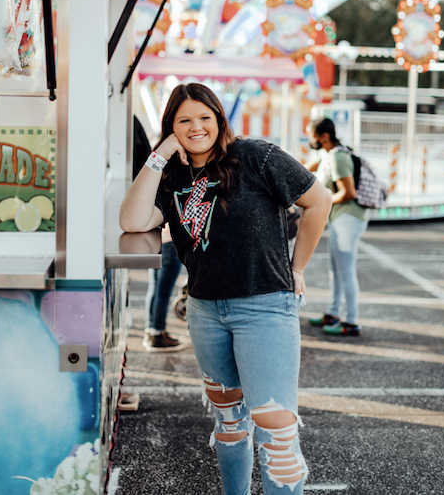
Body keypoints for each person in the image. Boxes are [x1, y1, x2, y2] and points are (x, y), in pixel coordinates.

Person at [120, 83, 331, 495]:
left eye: (205, 117)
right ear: (170, 127)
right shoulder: (172, 173)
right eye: (184, 121)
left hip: (266, 307)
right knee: (229, 420)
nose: (196, 127)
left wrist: (298, 267)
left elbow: (318, 200)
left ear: (219, 118)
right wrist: (161, 153)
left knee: (277, 428)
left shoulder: (255, 156)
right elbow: (132, 220)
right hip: (204, 311)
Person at [307, 117, 368, 337]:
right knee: (336, 270)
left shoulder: (338, 158)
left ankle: (351, 321)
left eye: (312, 136)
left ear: (324, 137)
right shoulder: (327, 155)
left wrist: (323, 201)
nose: (310, 140)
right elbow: (306, 169)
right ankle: (333, 313)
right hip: (339, 218)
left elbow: (348, 192)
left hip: (348, 219)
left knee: (345, 272)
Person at [133, 116, 184, 351]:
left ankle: (154, 330)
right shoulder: (171, 176)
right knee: (162, 288)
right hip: (169, 240)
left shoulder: (155, 174)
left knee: (157, 287)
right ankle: (155, 332)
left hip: (161, 238)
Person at [143, 225, 185, 351]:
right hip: (170, 243)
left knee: (155, 288)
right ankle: (157, 333)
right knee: (162, 292)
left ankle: (151, 331)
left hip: (156, 242)